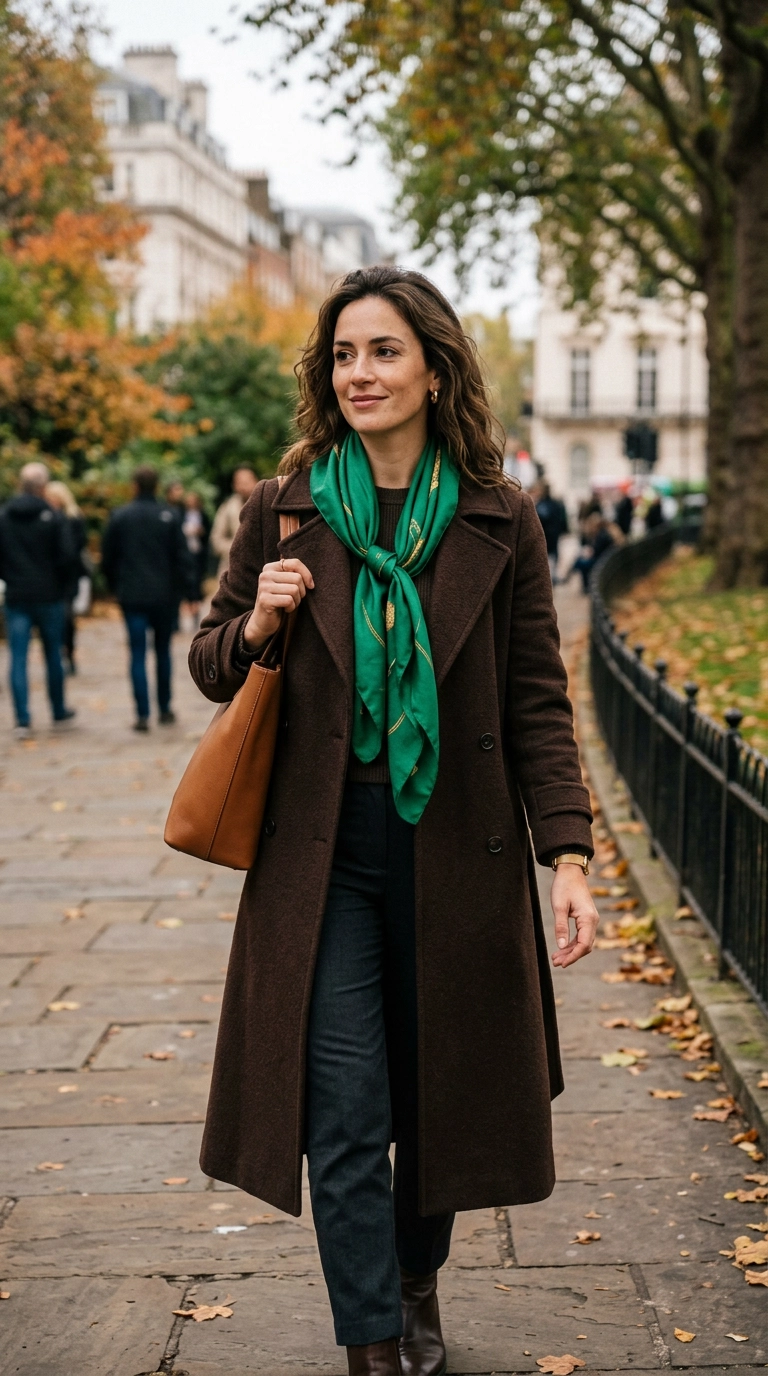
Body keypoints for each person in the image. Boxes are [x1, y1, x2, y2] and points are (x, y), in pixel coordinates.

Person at [190, 266, 597, 1376]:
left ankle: (417, 1279)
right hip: (320, 858)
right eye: (343, 355)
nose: (359, 373)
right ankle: (374, 1338)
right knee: (347, 1102)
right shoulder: (287, 504)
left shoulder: (497, 514)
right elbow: (211, 662)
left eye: (382, 351)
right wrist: (261, 619)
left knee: (442, 1089)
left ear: (433, 367)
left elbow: (534, 700)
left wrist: (567, 851)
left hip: (456, 849)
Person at [101, 465, 193, 732]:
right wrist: (189, 592)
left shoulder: (120, 516)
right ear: (156, 485)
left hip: (132, 595)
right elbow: (182, 557)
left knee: (138, 652)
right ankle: (164, 708)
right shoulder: (170, 515)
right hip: (164, 595)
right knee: (163, 651)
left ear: (135, 485)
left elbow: (108, 558)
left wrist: (114, 587)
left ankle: (142, 713)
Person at [0, 462, 76, 737]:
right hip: (48, 595)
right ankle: (57, 708)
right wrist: (61, 585)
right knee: (52, 653)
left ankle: (22, 718)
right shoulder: (52, 516)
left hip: (17, 595)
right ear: (43, 486)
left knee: (18, 657)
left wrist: (10, 577)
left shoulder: (5, 516)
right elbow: (67, 556)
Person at [44, 480, 88, 675]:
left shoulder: (74, 518)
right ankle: (58, 654)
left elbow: (79, 547)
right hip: (50, 577)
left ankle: (68, 652)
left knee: (67, 617)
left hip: (69, 576)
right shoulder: (45, 518)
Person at [210, 466, 258, 573]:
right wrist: (239, 548)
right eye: (239, 482)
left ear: (256, 481)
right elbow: (216, 540)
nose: (243, 486)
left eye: (247, 481)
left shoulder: (266, 505)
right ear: (234, 485)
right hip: (231, 569)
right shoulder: (227, 508)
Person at [181, 491, 211, 626]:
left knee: (197, 584)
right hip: (185, 554)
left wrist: (201, 532)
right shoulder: (181, 515)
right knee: (187, 583)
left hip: (198, 554)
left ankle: (196, 613)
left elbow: (209, 534)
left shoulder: (203, 516)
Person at [570, 512, 616, 592]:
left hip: (601, 561)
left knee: (581, 563)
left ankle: (583, 583)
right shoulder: (601, 533)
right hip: (602, 559)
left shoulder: (602, 535)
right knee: (580, 560)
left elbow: (597, 551)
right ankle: (581, 580)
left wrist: (589, 552)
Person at [534, 482, 569, 582]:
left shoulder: (541, 505)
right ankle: (551, 577)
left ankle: (549, 578)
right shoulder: (555, 504)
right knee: (553, 556)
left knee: (547, 556)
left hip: (546, 535)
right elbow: (561, 519)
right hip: (553, 534)